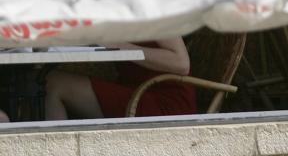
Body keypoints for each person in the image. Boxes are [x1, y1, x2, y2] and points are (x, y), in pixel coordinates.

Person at [44, 39, 195, 120]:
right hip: (134, 93)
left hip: (165, 104)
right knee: (48, 80)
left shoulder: (153, 7)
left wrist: (120, 45)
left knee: (54, 83)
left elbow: (181, 63)